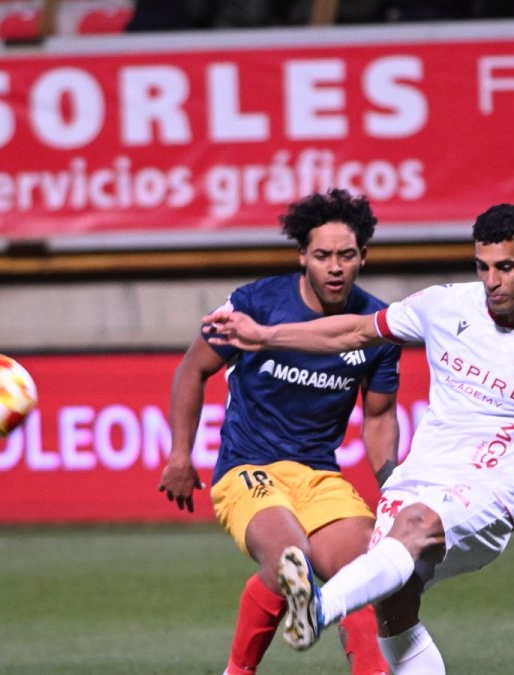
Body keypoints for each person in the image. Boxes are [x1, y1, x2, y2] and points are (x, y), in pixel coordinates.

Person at [203, 203, 514, 673]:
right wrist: (266, 335)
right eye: (483, 266)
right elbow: (351, 331)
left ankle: (319, 609)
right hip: (417, 481)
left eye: (506, 267)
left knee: (414, 527)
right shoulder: (444, 306)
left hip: (487, 495)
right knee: (394, 608)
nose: (492, 281)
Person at [158, 189, 401, 675]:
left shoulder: (377, 327)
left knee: (369, 575)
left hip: (319, 476)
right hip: (249, 469)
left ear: (363, 257)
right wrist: (180, 456)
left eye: (346, 256)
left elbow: (377, 418)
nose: (335, 267)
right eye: (323, 255)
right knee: (292, 559)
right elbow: (192, 370)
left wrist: (394, 486)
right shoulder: (257, 304)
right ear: (302, 257)